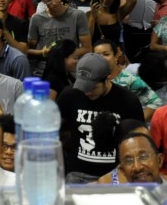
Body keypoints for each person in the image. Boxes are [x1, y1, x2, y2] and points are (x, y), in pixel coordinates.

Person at [57, 53, 144, 183]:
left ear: (107, 79)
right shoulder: (70, 95)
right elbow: (52, 128)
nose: (87, 92)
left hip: (115, 173)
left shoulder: (128, 101)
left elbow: (140, 140)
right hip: (78, 173)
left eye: (92, 88)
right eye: (83, 88)